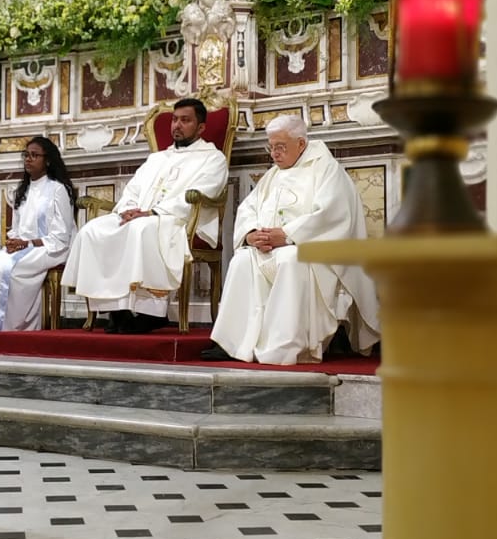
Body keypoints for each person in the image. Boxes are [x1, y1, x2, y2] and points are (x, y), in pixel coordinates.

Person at [203, 114, 379, 365]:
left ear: (301, 144)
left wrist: (287, 235)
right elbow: (248, 208)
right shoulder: (273, 175)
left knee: (289, 259)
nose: (274, 154)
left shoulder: (326, 169)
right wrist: (251, 234)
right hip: (270, 246)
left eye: (280, 147)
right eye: (271, 147)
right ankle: (233, 344)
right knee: (242, 260)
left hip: (311, 251)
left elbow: (331, 214)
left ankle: (284, 346)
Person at [62, 97, 228, 333]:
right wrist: (128, 209)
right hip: (141, 216)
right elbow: (133, 189)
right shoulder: (157, 158)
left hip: (177, 220)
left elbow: (204, 192)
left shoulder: (213, 158)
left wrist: (152, 212)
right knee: (92, 231)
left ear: (200, 127)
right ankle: (115, 310)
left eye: (185, 120)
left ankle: (152, 314)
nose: (177, 125)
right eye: (174, 120)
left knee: (142, 229)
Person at [0, 136, 76, 337]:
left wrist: (28, 243)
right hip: (26, 247)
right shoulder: (22, 190)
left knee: (7, 270)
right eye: (26, 155)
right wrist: (13, 241)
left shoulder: (58, 190)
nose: (28, 159)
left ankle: (15, 330)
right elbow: (17, 228)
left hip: (51, 248)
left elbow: (61, 235)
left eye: (34, 155)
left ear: (47, 160)